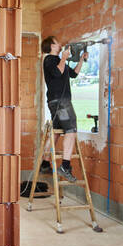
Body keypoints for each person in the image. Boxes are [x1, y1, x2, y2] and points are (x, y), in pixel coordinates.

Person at [40, 36, 88, 182]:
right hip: (61, 103)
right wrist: (64, 58)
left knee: (56, 132)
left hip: (57, 103)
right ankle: (65, 166)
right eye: (57, 42)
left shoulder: (59, 61)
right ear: (52, 46)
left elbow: (73, 74)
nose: (60, 44)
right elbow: (57, 73)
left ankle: (44, 162)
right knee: (71, 130)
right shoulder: (49, 59)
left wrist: (80, 60)